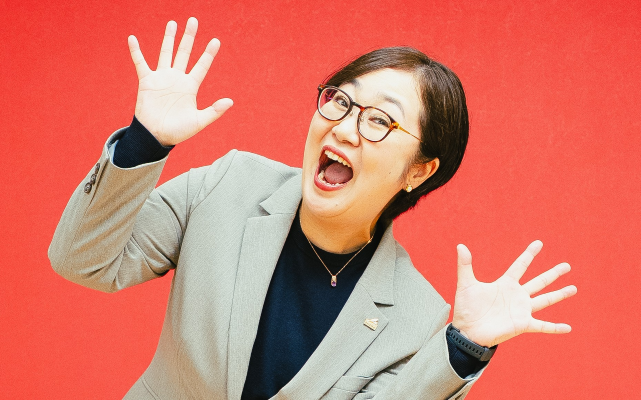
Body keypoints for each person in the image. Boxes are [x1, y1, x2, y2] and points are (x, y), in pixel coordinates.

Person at [48, 17, 577, 400]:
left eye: (380, 121)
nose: (344, 127)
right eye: (341, 101)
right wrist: (144, 142)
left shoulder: (416, 318)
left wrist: (462, 348)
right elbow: (83, 261)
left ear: (419, 170)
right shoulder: (228, 185)